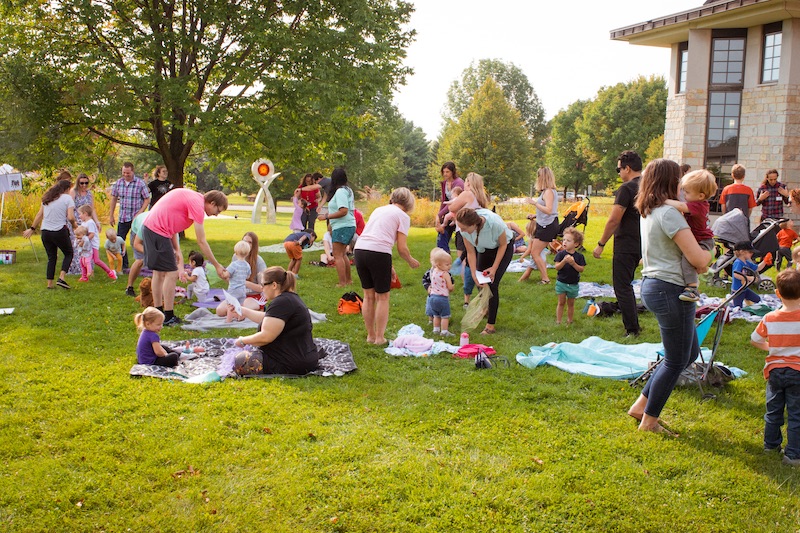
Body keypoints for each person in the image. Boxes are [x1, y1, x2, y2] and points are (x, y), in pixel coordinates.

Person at [627, 159, 712, 435]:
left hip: (655, 286)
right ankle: (649, 422)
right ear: (670, 181)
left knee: (687, 353)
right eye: (678, 179)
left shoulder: (649, 210)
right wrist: (712, 253)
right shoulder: (670, 213)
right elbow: (698, 260)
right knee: (676, 360)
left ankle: (641, 405)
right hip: (671, 290)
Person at [141, 188, 229, 326]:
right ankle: (168, 316)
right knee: (172, 273)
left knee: (159, 273)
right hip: (158, 231)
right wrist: (217, 265)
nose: (216, 215)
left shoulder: (194, 198)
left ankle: (157, 313)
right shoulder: (197, 205)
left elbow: (172, 223)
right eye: (218, 211)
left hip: (151, 228)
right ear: (212, 203)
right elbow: (201, 241)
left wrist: (176, 248)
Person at [354, 187, 421, 344]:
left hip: (360, 250)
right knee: (382, 297)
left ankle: (370, 336)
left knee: (368, 296)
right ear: (409, 202)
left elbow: (375, 235)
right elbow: (402, 248)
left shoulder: (379, 209)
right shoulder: (403, 216)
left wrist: (388, 266)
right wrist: (411, 261)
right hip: (379, 253)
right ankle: (379, 338)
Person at [232, 267, 323, 375]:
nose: (261, 288)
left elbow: (266, 337)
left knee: (239, 361)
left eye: (263, 285)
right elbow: (268, 318)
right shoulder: (288, 299)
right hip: (302, 358)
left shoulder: (281, 302)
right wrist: (243, 311)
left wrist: (242, 340)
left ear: (274, 285)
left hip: (290, 363)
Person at [750, 269, 800, 467]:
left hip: (775, 371)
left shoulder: (770, 317)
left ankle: (770, 445)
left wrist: (771, 347)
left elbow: (755, 340)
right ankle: (793, 455)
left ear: (777, 294)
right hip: (798, 371)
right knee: (796, 414)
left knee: (773, 411)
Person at [593, 150, 643, 337]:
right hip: (644, 242)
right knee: (629, 284)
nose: (619, 173)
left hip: (626, 243)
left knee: (622, 286)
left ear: (627, 168)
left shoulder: (627, 189)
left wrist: (601, 243)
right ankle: (634, 324)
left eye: (619, 169)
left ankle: (632, 329)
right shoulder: (649, 185)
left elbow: (614, 219)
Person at [455, 206, 515, 335]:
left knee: (492, 283)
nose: (461, 230)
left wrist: (494, 268)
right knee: (481, 281)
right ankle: (487, 308)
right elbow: (471, 252)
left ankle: (490, 325)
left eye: (464, 228)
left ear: (473, 224)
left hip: (502, 248)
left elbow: (503, 244)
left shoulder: (494, 224)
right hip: (483, 248)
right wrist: (473, 273)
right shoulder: (465, 231)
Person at [664, 169, 718, 302]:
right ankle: (705, 269)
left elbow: (681, 206)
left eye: (687, 192)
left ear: (700, 196)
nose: (684, 195)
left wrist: (663, 201)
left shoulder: (698, 206)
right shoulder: (699, 203)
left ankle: (692, 288)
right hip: (702, 239)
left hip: (703, 240)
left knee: (687, 260)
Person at [23, 180, 76, 289]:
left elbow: (39, 214)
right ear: (66, 189)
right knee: (69, 253)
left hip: (45, 232)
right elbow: (70, 217)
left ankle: (49, 284)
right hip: (59, 231)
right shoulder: (67, 198)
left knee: (52, 257)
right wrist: (75, 226)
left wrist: (32, 229)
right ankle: (61, 278)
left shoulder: (47, 198)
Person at [520, 167, 559, 284]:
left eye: (538, 176)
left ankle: (545, 279)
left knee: (535, 253)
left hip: (548, 226)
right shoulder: (547, 191)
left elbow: (549, 210)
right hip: (545, 224)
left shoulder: (548, 192)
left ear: (542, 177)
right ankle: (544, 278)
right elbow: (547, 210)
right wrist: (535, 215)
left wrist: (534, 203)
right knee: (535, 252)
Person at [108, 162, 150, 270]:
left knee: (138, 240)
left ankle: (144, 262)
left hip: (136, 217)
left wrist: (140, 212)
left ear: (133, 171)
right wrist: (111, 215)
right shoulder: (119, 183)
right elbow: (113, 198)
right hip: (123, 217)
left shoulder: (140, 183)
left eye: (128, 173)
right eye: (124, 173)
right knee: (119, 240)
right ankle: (124, 265)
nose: (126, 175)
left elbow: (147, 199)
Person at [318, 168, 356, 287]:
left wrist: (327, 216)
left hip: (342, 226)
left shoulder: (340, 192)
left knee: (337, 255)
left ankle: (342, 282)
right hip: (347, 225)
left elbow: (343, 210)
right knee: (342, 254)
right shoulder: (348, 190)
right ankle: (348, 280)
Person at [68, 173, 101, 275]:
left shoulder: (89, 193)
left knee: (87, 244)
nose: (84, 185)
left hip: (87, 223)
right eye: (82, 183)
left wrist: (97, 221)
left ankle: (88, 268)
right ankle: (77, 268)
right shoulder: (73, 192)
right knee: (77, 244)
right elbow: (70, 208)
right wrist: (73, 222)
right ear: (78, 182)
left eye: (86, 183)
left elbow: (92, 209)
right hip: (77, 222)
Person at [554, 228, 586, 325]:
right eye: (564, 240)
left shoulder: (580, 257)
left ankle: (570, 320)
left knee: (571, 303)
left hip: (573, 284)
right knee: (561, 302)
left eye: (568, 240)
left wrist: (573, 263)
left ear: (576, 244)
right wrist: (564, 261)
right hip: (561, 283)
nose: (564, 242)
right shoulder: (560, 254)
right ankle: (558, 321)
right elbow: (557, 267)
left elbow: (581, 269)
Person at [215, 240, 252, 322]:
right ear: (247, 253)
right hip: (242, 289)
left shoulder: (234, 264)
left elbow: (227, 275)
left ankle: (228, 320)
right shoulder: (247, 265)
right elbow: (248, 275)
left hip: (233, 289)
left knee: (230, 305)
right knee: (240, 305)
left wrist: (223, 272)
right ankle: (240, 317)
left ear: (236, 252)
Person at [77, 204, 117, 280]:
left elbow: (92, 234)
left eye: (80, 214)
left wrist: (84, 240)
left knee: (96, 260)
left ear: (85, 214)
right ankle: (84, 276)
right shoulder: (84, 223)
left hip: (93, 245)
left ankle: (110, 273)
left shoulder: (90, 223)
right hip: (87, 245)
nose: (79, 216)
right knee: (82, 260)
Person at [425, 248, 455, 337]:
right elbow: (450, 287)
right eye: (447, 264)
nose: (449, 266)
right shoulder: (445, 274)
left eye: (450, 264)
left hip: (432, 297)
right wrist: (452, 287)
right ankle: (444, 331)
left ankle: (436, 329)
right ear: (439, 264)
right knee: (445, 316)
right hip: (442, 298)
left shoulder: (434, 271)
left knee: (436, 315)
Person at [436, 162, 465, 252]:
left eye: (447, 172)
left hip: (459, 212)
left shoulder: (459, 183)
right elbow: (444, 201)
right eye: (443, 172)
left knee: (460, 239)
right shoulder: (445, 183)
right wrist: (440, 215)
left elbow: (455, 202)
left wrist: (440, 214)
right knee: (442, 236)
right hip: (449, 211)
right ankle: (442, 256)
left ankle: (462, 259)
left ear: (453, 172)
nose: (445, 174)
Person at [732, 241, 765, 309]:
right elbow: (735, 274)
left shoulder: (746, 262)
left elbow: (757, 268)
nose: (752, 254)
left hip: (745, 289)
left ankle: (747, 300)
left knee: (758, 299)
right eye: (750, 252)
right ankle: (745, 301)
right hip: (737, 290)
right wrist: (749, 278)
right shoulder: (738, 262)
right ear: (742, 252)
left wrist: (765, 261)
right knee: (738, 308)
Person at [124, 211, 149, 297]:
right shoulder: (144, 225)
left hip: (150, 230)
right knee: (140, 260)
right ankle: (129, 287)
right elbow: (137, 244)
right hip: (136, 232)